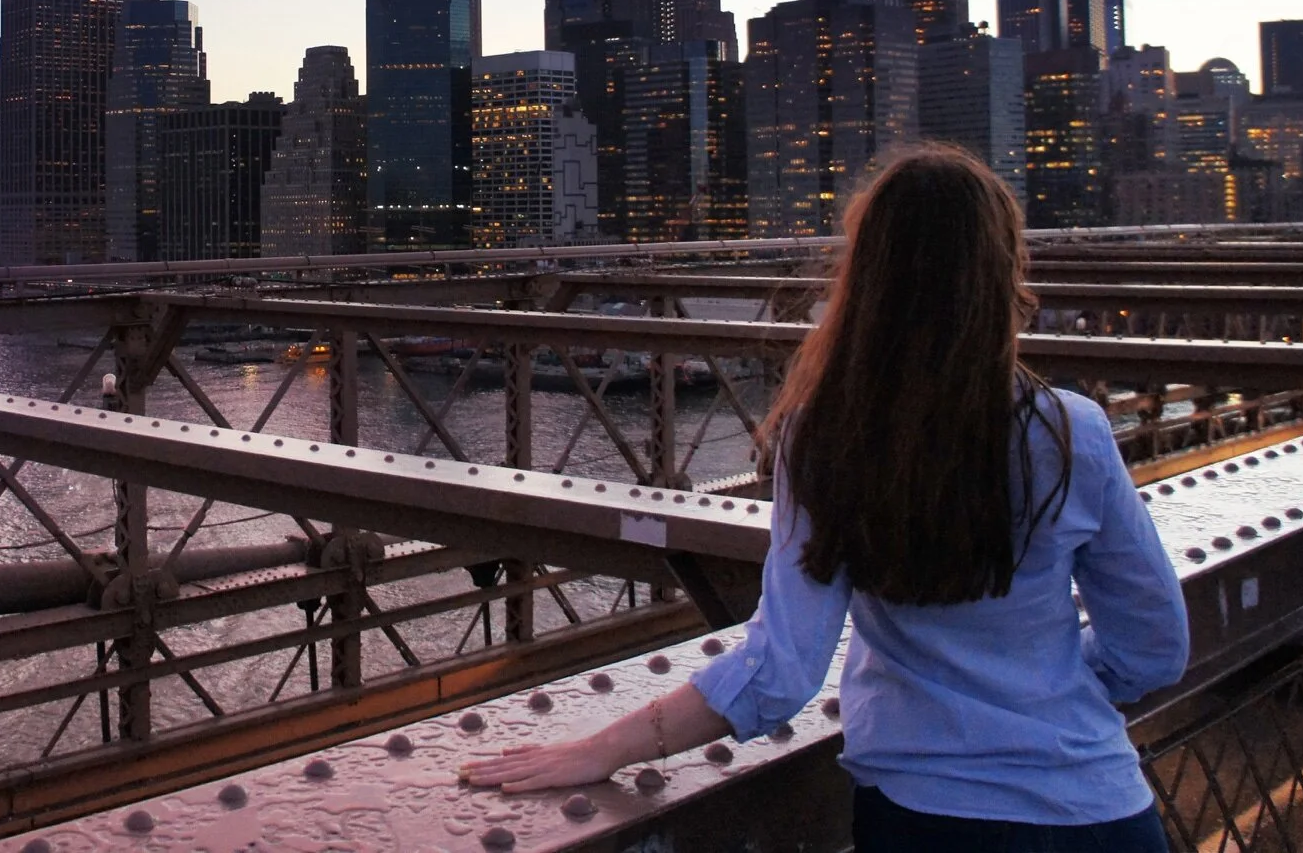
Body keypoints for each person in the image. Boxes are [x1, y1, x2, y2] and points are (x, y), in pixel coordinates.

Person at [461, 146, 1189, 851]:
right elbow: (1153, 649)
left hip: (931, 819)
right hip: (1101, 811)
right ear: (1003, 273)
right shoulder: (1071, 432)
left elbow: (780, 671)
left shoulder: (829, 435)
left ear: (865, 277)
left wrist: (604, 746)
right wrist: (1048, 685)